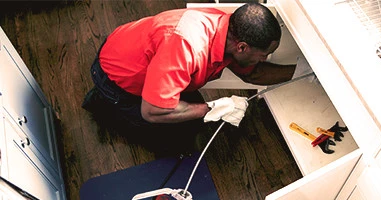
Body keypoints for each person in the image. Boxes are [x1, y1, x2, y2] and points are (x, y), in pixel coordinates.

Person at [82, 3, 312, 153]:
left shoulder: (230, 29)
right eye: (263, 55)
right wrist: (212, 107)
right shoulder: (187, 46)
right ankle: (104, 104)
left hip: (142, 55)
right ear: (242, 47)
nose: (264, 59)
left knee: (189, 116)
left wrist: (303, 71)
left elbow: (255, 74)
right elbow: (151, 110)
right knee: (173, 137)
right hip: (114, 77)